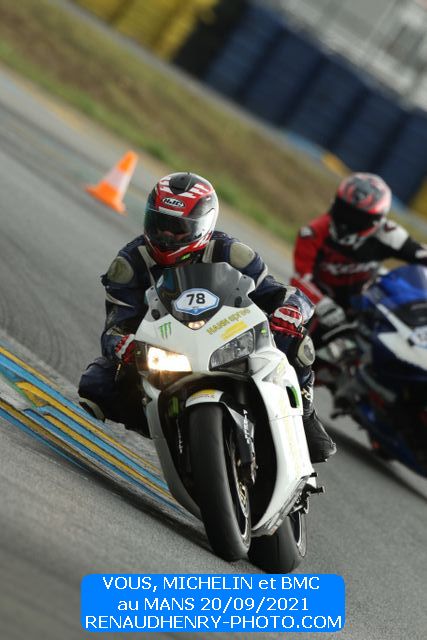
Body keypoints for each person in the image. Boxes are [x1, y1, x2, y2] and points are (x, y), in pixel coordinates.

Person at [79, 172, 336, 463]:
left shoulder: (231, 253)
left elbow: (281, 293)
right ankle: (167, 425)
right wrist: (122, 344)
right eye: (160, 224)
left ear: (203, 225)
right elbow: (114, 328)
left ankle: (304, 414)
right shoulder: (129, 264)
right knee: (97, 382)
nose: (166, 236)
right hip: (165, 352)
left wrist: (291, 310)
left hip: (229, 338)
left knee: (296, 341)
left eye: (178, 228)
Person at [292, 172, 427, 338]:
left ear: (376, 220)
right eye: (344, 211)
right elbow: (300, 278)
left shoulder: (388, 234)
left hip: (369, 302)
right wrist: (322, 304)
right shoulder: (312, 233)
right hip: (326, 305)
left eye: (358, 218)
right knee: (298, 336)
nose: (346, 222)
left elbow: (421, 254)